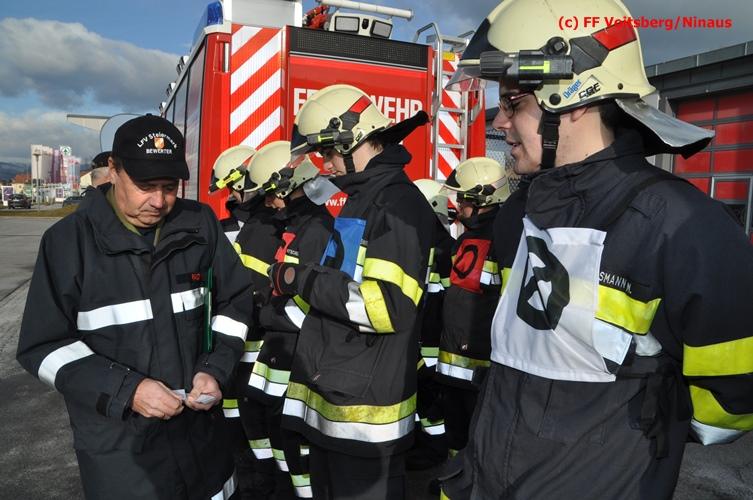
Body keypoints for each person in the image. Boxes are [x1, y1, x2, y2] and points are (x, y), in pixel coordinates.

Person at [441, 1, 753, 499]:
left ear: (574, 97)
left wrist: (632, 433)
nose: (499, 122)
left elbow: (731, 401)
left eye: (513, 103)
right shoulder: (519, 214)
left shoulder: (682, 227)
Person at [16, 114, 253, 500]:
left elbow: (236, 300)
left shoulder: (200, 225)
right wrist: (129, 391)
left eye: (169, 187)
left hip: (204, 446)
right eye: (145, 186)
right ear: (113, 170)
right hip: (123, 456)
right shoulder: (68, 243)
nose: (159, 202)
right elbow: (42, 347)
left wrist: (215, 369)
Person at [273, 84, 435, 499]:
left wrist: (302, 279)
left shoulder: (397, 205)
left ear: (353, 140)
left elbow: (386, 308)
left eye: (328, 152)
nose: (325, 165)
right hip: (341, 396)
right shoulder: (363, 199)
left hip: (366, 416)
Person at [245, 140, 335, 499]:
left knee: (292, 436)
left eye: (271, 193)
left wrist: (265, 313)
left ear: (288, 185)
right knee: (272, 423)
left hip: (297, 349)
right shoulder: (298, 224)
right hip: (280, 345)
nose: (268, 202)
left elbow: (310, 302)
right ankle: (283, 485)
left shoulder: (317, 230)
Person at [210, 144, 283, 498]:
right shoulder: (253, 225)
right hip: (250, 343)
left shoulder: (263, 228)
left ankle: (262, 478)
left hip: (260, 344)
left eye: (234, 188)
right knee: (248, 417)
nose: (233, 196)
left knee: (259, 420)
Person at [435, 158, 509, 462]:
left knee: (477, 436)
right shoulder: (468, 239)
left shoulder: (503, 237)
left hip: (481, 367)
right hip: (455, 363)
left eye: (463, 199)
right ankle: (456, 477)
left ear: (482, 199)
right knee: (457, 434)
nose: (459, 205)